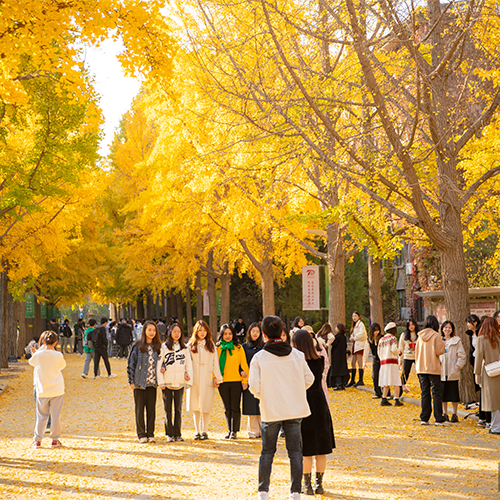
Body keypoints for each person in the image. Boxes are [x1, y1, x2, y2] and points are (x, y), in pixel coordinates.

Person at [249, 315, 314, 500]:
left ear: (264, 335)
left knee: (267, 452)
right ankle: (295, 492)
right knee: (295, 452)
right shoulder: (297, 355)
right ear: (282, 333)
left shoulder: (259, 357)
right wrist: (295, 391)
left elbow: (253, 385)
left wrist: (265, 396)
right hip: (294, 409)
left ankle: (264, 492)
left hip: (271, 410)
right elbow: (309, 379)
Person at [291, 329, 335, 496]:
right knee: (321, 448)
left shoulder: (296, 363)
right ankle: (319, 484)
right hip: (320, 404)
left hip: (303, 404)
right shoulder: (320, 360)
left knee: (306, 449)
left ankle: (307, 485)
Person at [187, 320, 223, 440]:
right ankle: (197, 430)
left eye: (204, 330)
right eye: (200, 330)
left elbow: (215, 362)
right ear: (195, 332)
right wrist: (186, 377)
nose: (202, 333)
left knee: (206, 405)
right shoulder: (190, 345)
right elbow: (186, 363)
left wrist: (216, 377)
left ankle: (205, 430)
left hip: (207, 376)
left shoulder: (211, 344)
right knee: (195, 405)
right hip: (195, 377)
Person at [29, 331, 66, 448]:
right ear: (55, 342)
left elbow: (32, 362)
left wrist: (34, 353)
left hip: (42, 388)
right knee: (55, 416)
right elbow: (62, 366)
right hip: (57, 388)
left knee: (41, 415)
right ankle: (55, 440)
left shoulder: (38, 355)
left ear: (43, 341)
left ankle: (37, 440)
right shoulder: (58, 355)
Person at [158, 322, 193, 442]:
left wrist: (189, 381)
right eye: (174, 331)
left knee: (178, 408)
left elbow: (189, 365)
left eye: (179, 332)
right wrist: (161, 382)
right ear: (170, 333)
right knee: (167, 409)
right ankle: (169, 434)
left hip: (180, 382)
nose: (177, 334)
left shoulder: (185, 348)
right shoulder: (164, 347)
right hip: (167, 382)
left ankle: (178, 433)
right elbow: (159, 364)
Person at [127, 320, 161, 443]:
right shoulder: (137, 346)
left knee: (151, 409)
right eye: (149, 330)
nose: (151, 332)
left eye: (154, 330)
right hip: (139, 382)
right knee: (139, 409)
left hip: (153, 383)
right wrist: (131, 381)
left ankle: (150, 433)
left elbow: (162, 363)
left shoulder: (158, 347)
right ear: (144, 331)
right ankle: (141, 434)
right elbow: (131, 364)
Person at [217, 324, 249, 439]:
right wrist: (214, 379)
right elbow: (214, 366)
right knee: (227, 408)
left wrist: (245, 380)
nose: (227, 336)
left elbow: (244, 365)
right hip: (222, 381)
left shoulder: (239, 348)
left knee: (235, 407)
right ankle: (229, 429)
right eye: (225, 334)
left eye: (230, 333)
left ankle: (234, 431)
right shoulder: (217, 348)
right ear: (221, 335)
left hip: (236, 381)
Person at [415, 315, 447, 425]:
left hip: (421, 368)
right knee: (436, 393)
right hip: (433, 367)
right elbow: (440, 351)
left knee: (425, 393)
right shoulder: (436, 336)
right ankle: (438, 418)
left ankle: (424, 418)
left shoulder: (420, 336)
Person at [475, 317, 500, 435]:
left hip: (490, 372)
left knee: (493, 400)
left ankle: (496, 427)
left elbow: (479, 358)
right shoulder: (499, 338)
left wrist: (477, 373)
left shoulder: (481, 339)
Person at [439, 321, 466, 422]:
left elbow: (462, 355)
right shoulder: (439, 340)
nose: (447, 329)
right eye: (445, 327)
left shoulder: (456, 340)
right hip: (442, 372)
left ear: (452, 329)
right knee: (443, 395)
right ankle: (445, 413)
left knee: (454, 395)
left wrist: (457, 366)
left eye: (449, 327)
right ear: (442, 329)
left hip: (452, 372)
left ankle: (455, 414)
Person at [242, 322, 264, 438]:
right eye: (253, 331)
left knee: (261, 403)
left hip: (262, 378)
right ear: (249, 333)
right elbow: (241, 363)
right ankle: (252, 430)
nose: (255, 333)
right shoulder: (244, 347)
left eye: (257, 331)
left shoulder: (264, 346)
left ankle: (262, 430)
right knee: (250, 404)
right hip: (249, 379)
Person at [378, 322, 404, 407]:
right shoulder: (393, 338)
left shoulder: (381, 339)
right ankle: (396, 399)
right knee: (396, 381)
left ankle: (384, 398)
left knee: (386, 381)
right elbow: (393, 349)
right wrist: (399, 352)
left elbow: (378, 352)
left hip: (383, 363)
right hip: (392, 362)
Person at [346, 312, 367, 387]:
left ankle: (360, 380)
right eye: (353, 316)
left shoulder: (360, 324)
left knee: (359, 362)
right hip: (355, 345)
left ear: (359, 316)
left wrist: (354, 338)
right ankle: (352, 380)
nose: (354, 317)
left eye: (355, 316)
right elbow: (354, 334)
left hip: (359, 345)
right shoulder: (355, 325)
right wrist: (352, 337)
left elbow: (363, 334)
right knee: (353, 362)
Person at [399, 318, 419, 393]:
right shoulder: (404, 335)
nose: (411, 326)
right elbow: (400, 348)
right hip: (407, 357)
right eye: (409, 325)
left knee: (420, 374)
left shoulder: (419, 334)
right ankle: (399, 394)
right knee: (405, 374)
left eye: (412, 325)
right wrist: (400, 360)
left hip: (417, 357)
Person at [368, 323, 383, 398]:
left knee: (383, 375)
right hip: (375, 358)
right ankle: (377, 392)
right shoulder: (370, 339)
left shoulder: (382, 338)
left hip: (382, 358)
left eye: (378, 330)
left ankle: (386, 392)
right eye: (375, 331)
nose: (376, 332)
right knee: (375, 376)